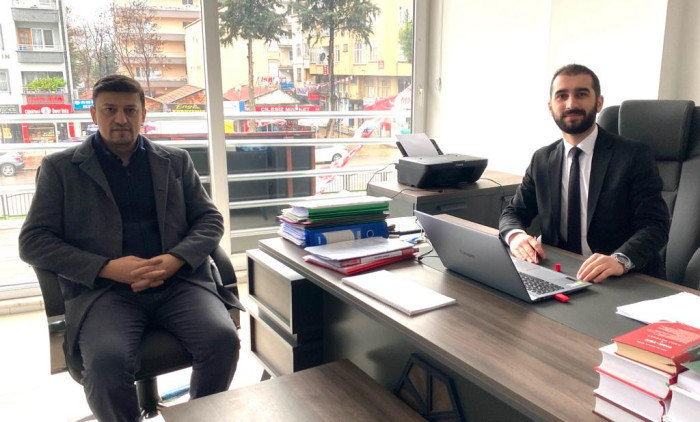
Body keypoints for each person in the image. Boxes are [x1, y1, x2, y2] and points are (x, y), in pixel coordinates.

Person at [19, 75, 244, 422]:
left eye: (130, 110)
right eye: (110, 110)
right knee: (106, 365)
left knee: (222, 341)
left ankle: (200, 416)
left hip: (179, 283)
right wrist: (107, 268)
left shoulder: (175, 161)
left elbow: (209, 220)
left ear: (143, 114)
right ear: (94, 114)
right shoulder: (60, 169)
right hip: (105, 291)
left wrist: (175, 259)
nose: (120, 119)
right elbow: (33, 240)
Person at [499, 64, 670, 283]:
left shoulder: (633, 156)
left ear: (599, 102)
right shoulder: (542, 159)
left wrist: (620, 260)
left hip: (621, 278)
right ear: (551, 106)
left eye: (581, 94)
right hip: (560, 273)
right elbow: (513, 212)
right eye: (562, 96)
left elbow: (655, 225)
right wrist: (515, 237)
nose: (571, 104)